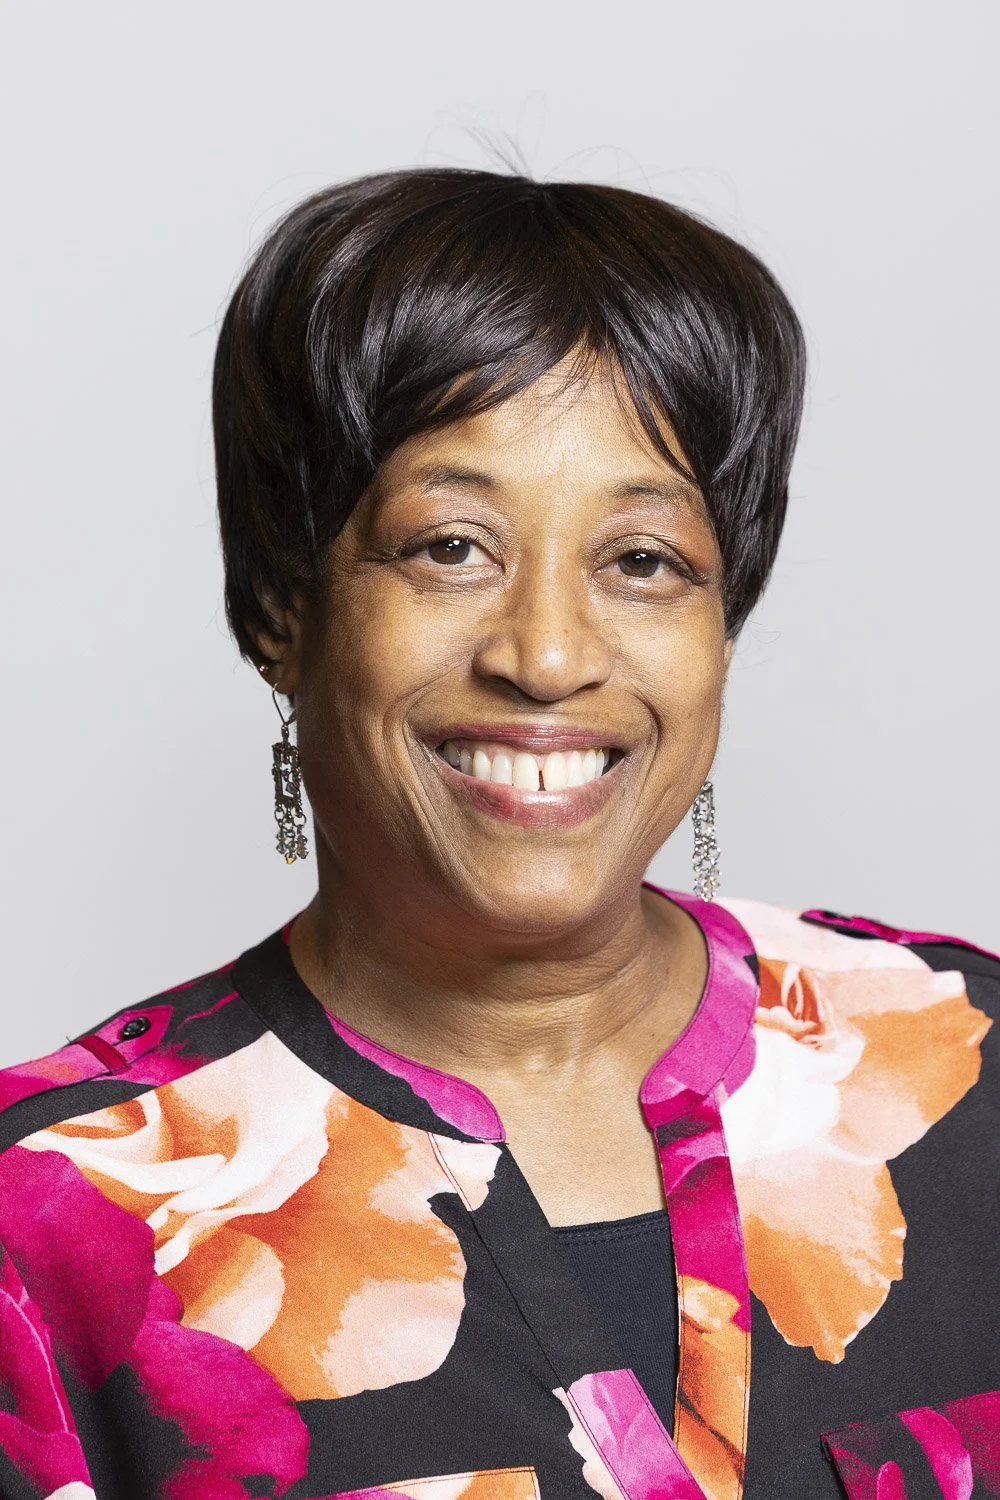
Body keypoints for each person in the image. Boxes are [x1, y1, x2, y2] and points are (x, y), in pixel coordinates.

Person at [0, 169, 997, 1500]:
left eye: (643, 560)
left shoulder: (970, 1071)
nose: (546, 655)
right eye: (449, 547)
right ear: (283, 611)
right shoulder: (52, 1221)